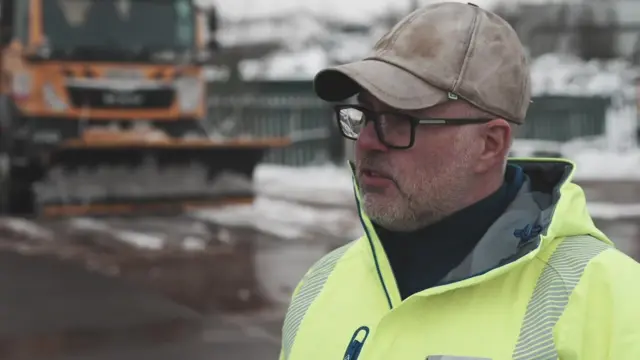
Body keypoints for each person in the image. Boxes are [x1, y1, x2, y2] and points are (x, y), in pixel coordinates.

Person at [278, 2, 640, 360]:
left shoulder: (613, 303)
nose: (368, 141)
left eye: (401, 119)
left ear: (489, 144)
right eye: (365, 114)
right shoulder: (321, 286)